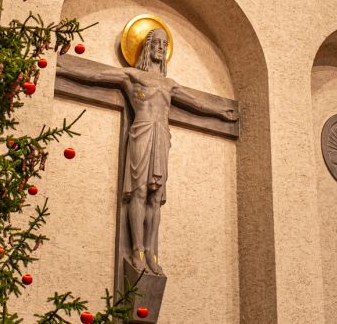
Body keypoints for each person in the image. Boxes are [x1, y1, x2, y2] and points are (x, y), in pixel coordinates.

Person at [57, 28, 237, 275]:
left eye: (165, 43)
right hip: (141, 131)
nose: (161, 47)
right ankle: (137, 250)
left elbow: (197, 104)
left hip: (162, 136)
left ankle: (152, 252)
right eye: (157, 42)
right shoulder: (132, 76)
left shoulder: (170, 85)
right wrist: (61, 68)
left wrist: (219, 113)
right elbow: (98, 74)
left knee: (156, 197)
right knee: (139, 191)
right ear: (147, 45)